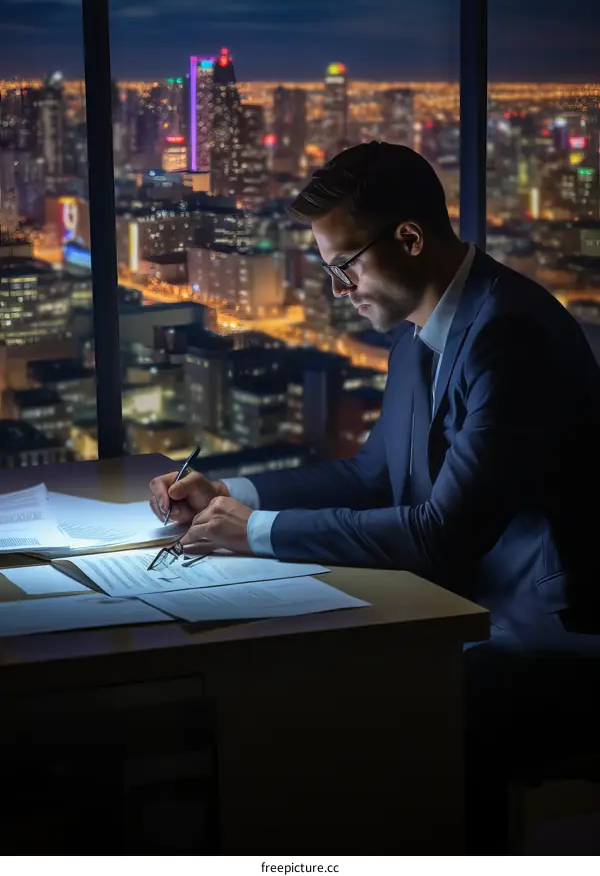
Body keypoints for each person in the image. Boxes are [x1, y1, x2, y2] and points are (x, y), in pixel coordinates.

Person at [150, 141, 600, 849]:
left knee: (362, 708)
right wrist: (230, 492)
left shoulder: (509, 335)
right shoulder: (421, 335)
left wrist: (256, 531)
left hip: (549, 635)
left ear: (410, 238)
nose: (338, 289)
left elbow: (437, 535)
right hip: (468, 608)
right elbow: (371, 478)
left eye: (344, 266)